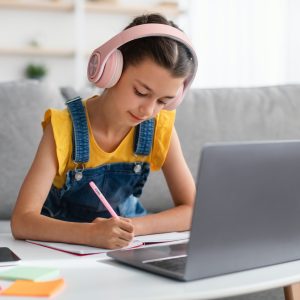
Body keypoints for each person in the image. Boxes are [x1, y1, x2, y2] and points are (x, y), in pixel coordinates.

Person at [11, 13, 198, 249]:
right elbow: (21, 221)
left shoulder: (160, 129)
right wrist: (90, 234)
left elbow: (193, 210)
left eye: (164, 101)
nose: (149, 110)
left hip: (125, 246)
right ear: (111, 70)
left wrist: (130, 228)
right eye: (141, 92)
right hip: (68, 247)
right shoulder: (62, 129)